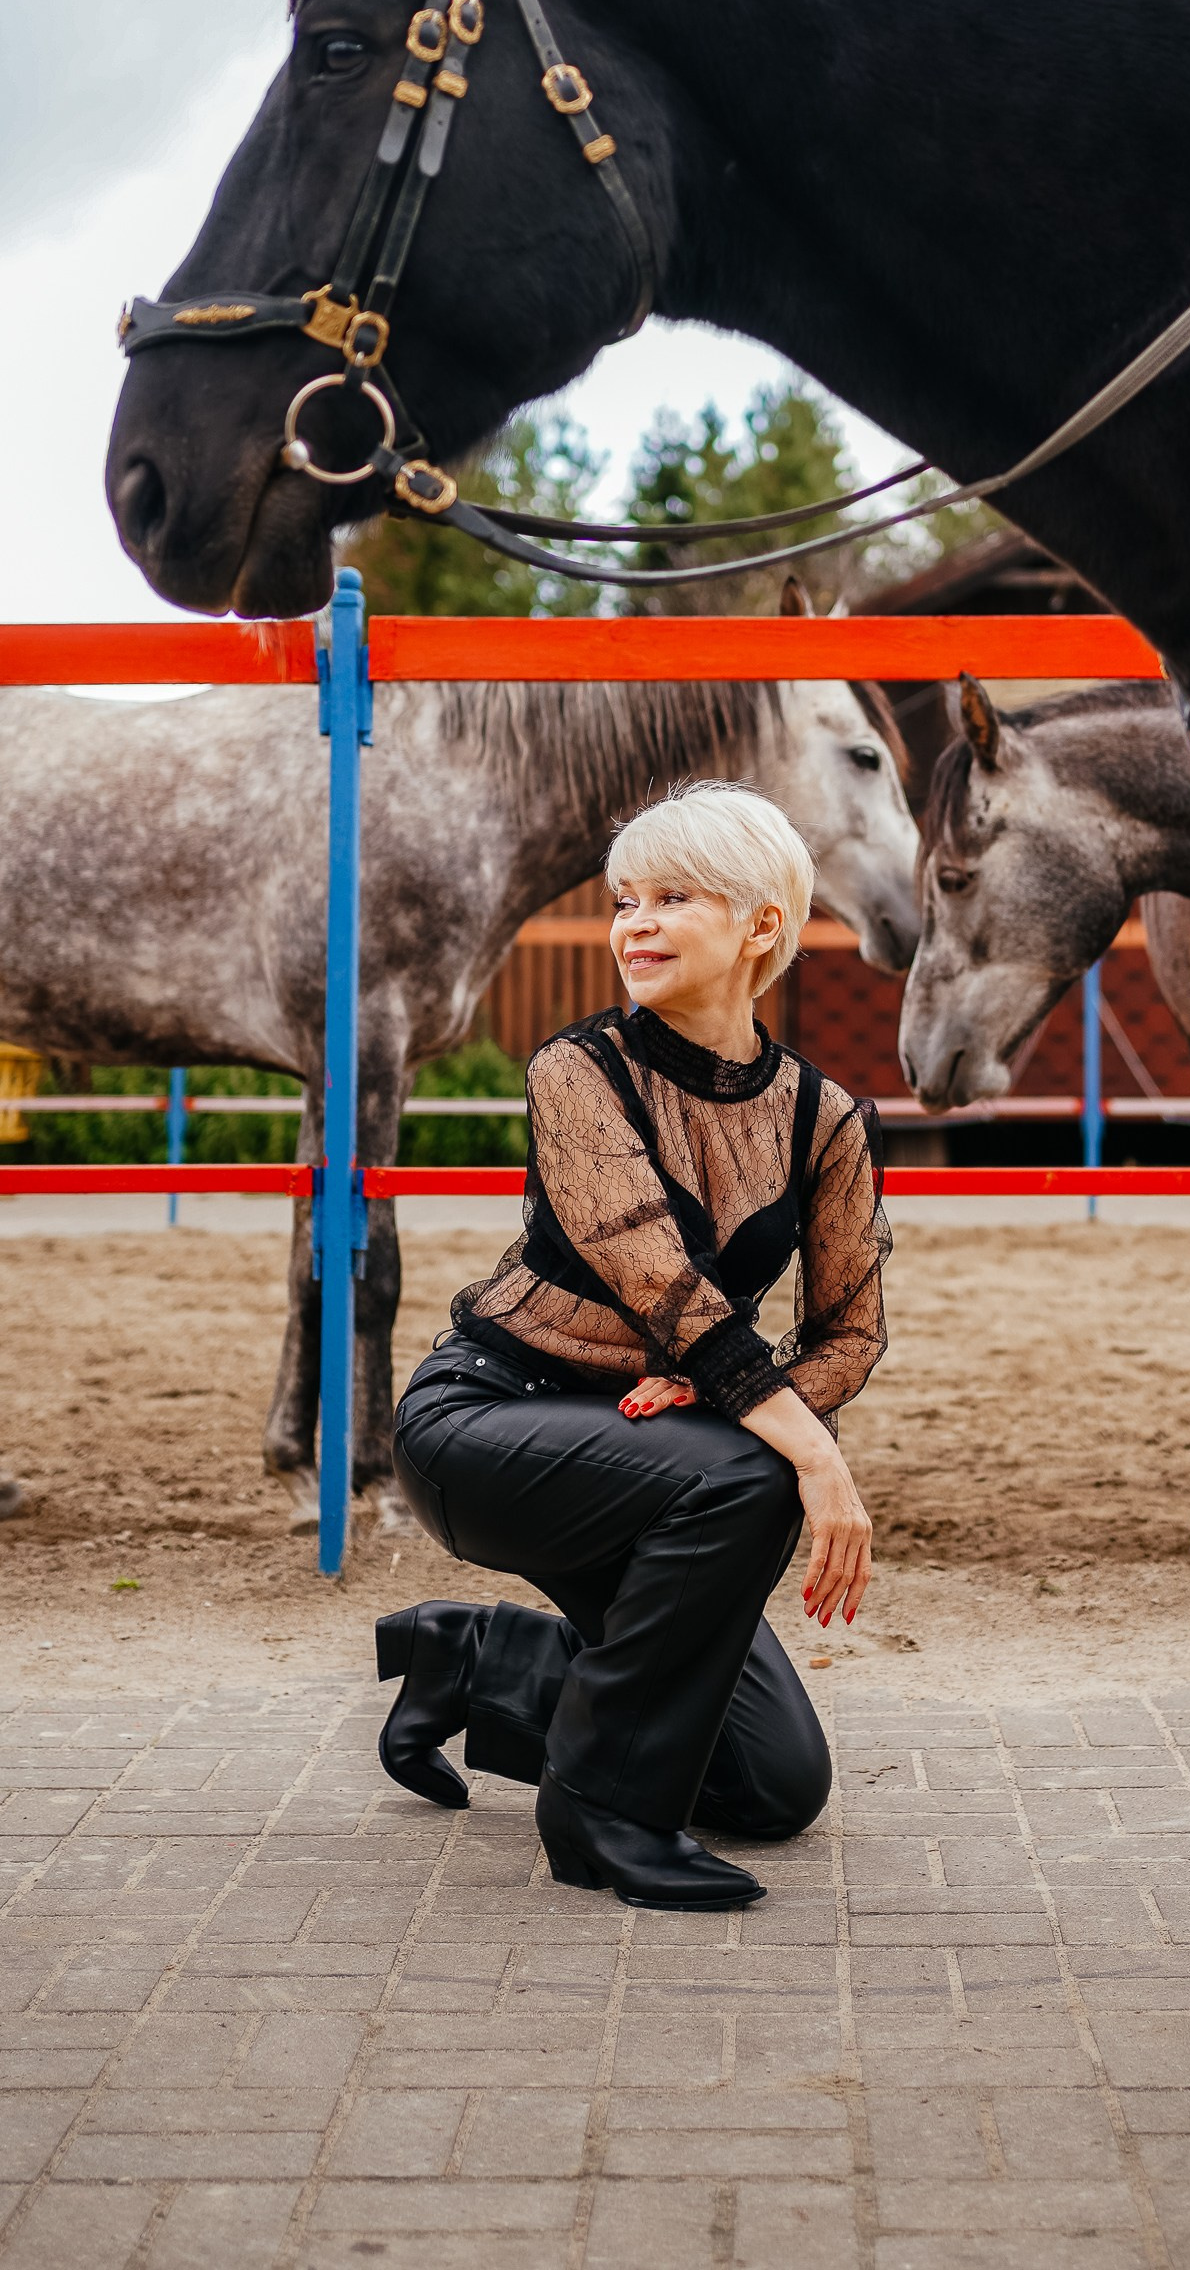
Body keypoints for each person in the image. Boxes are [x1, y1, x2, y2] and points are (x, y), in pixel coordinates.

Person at [378, 779, 889, 1912]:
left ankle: (476, 1663)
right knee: (755, 1473)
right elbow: (660, 1284)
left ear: (761, 926)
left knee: (773, 1789)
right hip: (489, 1421)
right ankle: (603, 1816)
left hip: (663, 1455)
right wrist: (807, 1452)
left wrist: (731, 1409)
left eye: (672, 897)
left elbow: (851, 1327)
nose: (634, 924)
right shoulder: (578, 1071)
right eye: (624, 900)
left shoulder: (824, 1119)